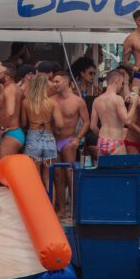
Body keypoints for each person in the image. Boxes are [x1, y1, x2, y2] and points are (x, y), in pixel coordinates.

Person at [51, 71, 90, 217]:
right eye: (53, 82)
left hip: (69, 140)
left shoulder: (78, 101)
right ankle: (62, 209)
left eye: (57, 81)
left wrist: (78, 138)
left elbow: (86, 122)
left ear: (66, 82)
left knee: (69, 173)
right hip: (53, 140)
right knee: (57, 174)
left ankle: (75, 208)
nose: (54, 84)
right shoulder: (51, 99)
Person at [21, 73, 64, 187]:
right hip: (49, 138)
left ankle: (36, 204)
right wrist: (50, 125)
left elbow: (24, 123)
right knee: (48, 177)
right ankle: (50, 204)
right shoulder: (52, 103)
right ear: (45, 86)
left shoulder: (26, 102)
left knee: (35, 175)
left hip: (33, 138)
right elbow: (60, 124)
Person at [90, 69, 139, 156]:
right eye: (122, 83)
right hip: (116, 141)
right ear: (116, 80)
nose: (121, 86)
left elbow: (93, 126)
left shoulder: (97, 100)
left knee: (104, 169)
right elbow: (127, 120)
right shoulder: (118, 99)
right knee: (120, 169)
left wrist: (104, 137)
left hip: (101, 141)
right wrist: (135, 102)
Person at [0, 63, 25, 158]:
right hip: (14, 132)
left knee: (5, 168)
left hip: (11, 133)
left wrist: (2, 128)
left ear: (7, 77)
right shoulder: (15, 88)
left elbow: (10, 112)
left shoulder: (9, 90)